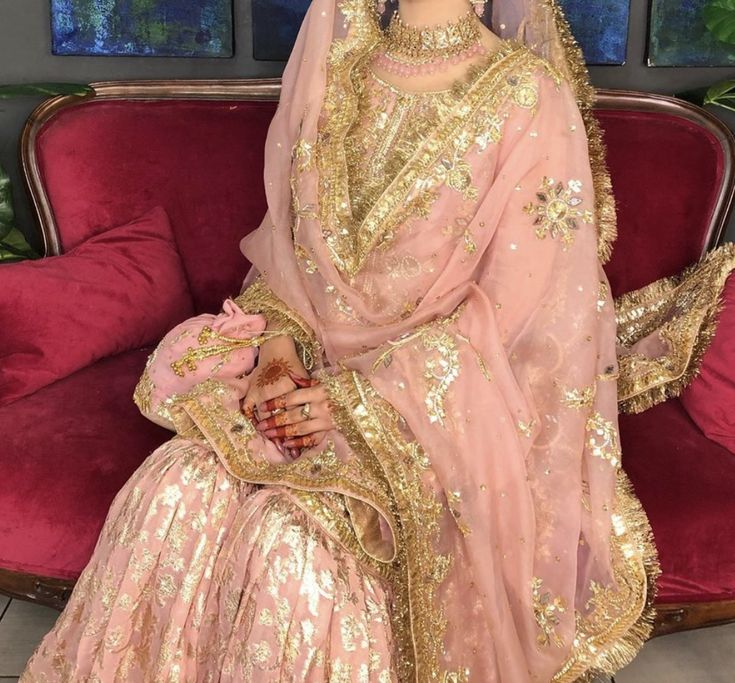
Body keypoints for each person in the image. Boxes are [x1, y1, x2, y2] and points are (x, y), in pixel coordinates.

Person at [22, 0, 668, 680]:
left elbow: (523, 314)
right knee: (175, 488)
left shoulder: (525, 95)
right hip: (304, 377)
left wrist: (358, 402)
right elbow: (288, 268)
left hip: (431, 409)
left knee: (289, 543)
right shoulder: (338, 71)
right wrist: (274, 361)